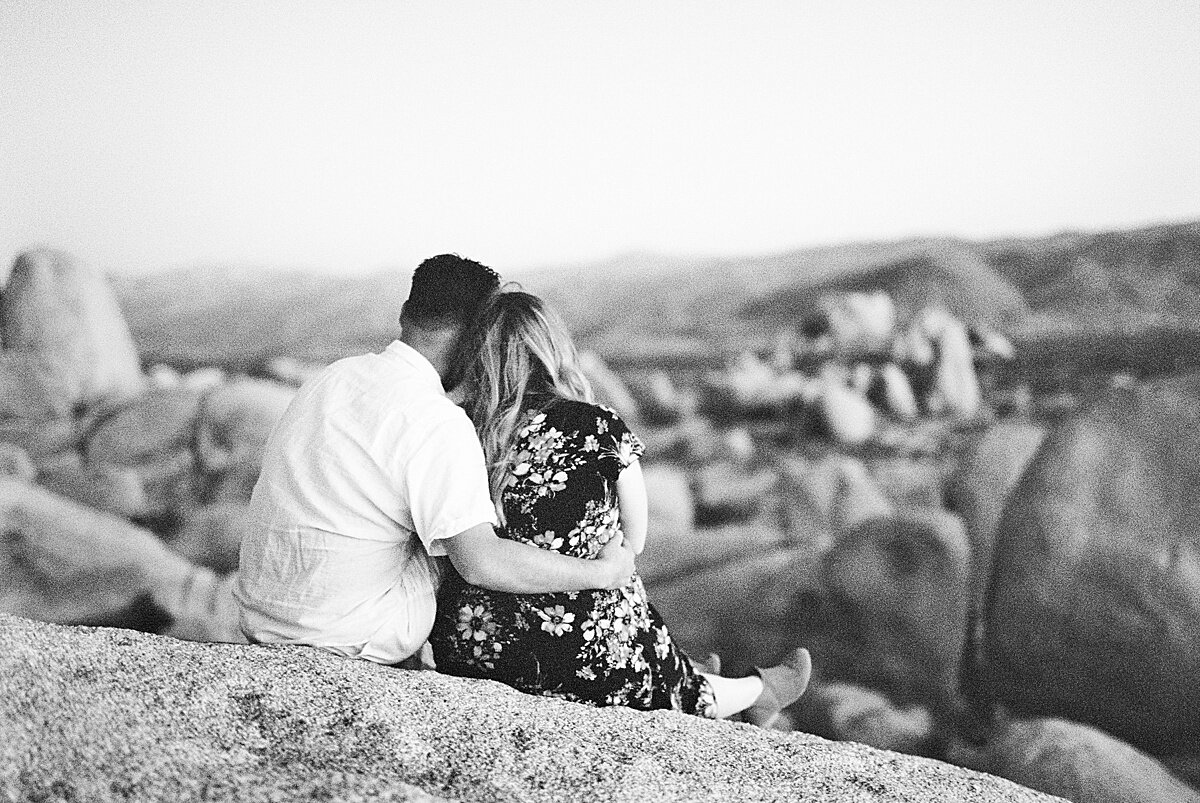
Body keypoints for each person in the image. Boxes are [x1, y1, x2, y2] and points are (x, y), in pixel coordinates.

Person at [429, 289, 812, 724]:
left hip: (473, 647)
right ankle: (753, 690)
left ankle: (691, 671)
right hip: (571, 654)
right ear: (553, 350)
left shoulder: (457, 432)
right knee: (619, 576)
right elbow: (639, 537)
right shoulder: (598, 425)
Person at [233, 255, 636, 666]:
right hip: (348, 635)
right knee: (465, 530)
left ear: (406, 312)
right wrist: (604, 574)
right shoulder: (436, 422)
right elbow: (482, 565)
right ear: (481, 334)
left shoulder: (332, 377)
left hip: (262, 618)